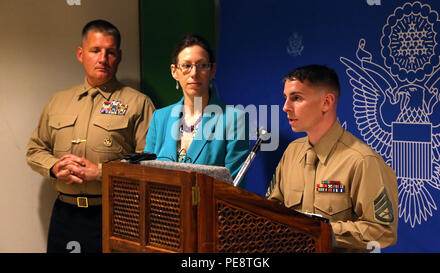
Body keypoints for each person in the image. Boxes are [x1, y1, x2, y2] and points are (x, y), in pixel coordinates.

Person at [26, 20, 155, 253]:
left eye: (110, 52)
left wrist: (101, 172)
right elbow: (35, 149)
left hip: (117, 215)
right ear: (80, 53)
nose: (103, 58)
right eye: (96, 50)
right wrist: (55, 166)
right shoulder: (58, 101)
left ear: (119, 56)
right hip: (65, 215)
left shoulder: (138, 103)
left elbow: (151, 163)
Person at [266, 65, 398, 252]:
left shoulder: (362, 160)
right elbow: (272, 208)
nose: (286, 107)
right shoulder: (292, 152)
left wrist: (319, 229)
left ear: (326, 102)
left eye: (296, 98)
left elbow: (383, 231)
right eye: (286, 98)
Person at [144, 34, 249, 181]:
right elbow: (146, 173)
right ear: (174, 71)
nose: (194, 73)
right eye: (187, 66)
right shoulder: (160, 118)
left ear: (212, 70)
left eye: (202, 66)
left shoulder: (234, 119)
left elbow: (234, 186)